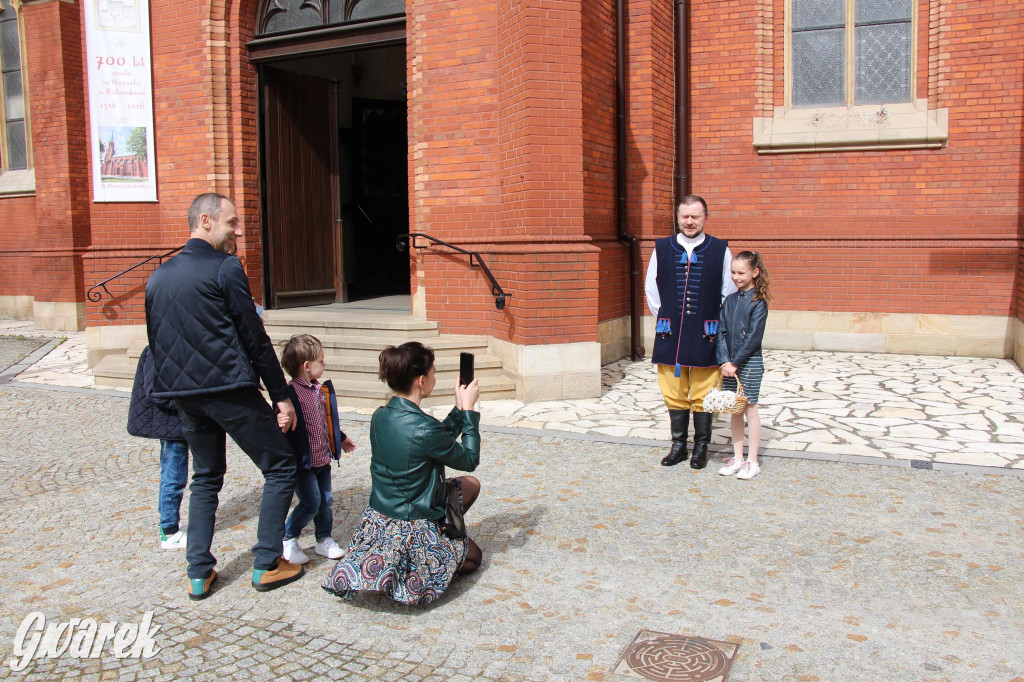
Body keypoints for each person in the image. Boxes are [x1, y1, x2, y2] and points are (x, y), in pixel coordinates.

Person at [145, 192, 303, 601]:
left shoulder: (158, 276)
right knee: (281, 466)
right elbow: (255, 337)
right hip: (228, 389)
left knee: (206, 478)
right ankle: (267, 563)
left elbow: (155, 343)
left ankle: (199, 571)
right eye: (232, 222)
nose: (238, 230)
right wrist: (281, 394)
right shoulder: (226, 267)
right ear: (205, 221)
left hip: (185, 394)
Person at [323, 341, 482, 606]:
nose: (435, 377)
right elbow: (469, 458)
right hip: (412, 522)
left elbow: (434, 440)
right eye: (433, 373)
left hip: (382, 515)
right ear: (421, 381)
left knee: (471, 486)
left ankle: (436, 541)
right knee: (474, 558)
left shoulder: (380, 415)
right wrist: (469, 412)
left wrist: (458, 407)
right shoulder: (424, 428)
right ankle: (417, 568)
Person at [646, 195, 737, 469]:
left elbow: (728, 292)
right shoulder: (662, 248)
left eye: (695, 217)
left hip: (705, 333)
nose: (689, 221)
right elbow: (652, 289)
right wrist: (668, 317)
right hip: (670, 333)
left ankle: (700, 447)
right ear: (677, 217)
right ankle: (678, 446)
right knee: (673, 390)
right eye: (685, 216)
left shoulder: (720, 249)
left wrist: (714, 324)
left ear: (705, 218)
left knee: (705, 391)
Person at [278, 334, 356, 564]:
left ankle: (324, 539)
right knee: (311, 502)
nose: (325, 364)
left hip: (322, 459)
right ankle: (288, 537)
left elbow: (324, 421)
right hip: (303, 463)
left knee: (326, 501)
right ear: (306, 366)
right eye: (321, 361)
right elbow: (279, 421)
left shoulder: (318, 390)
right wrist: (279, 423)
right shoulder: (290, 393)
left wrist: (340, 438)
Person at [127, 345, 189, 550]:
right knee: (174, 475)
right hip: (171, 423)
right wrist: (189, 402)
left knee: (171, 473)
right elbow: (156, 391)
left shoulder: (166, 344)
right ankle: (169, 531)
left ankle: (169, 523)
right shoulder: (159, 347)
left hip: (175, 421)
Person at [716, 251, 771, 480]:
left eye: (741, 272)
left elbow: (753, 337)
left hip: (749, 362)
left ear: (754, 272)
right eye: (733, 272)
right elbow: (721, 331)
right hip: (730, 364)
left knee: (750, 408)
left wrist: (735, 362)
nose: (736, 277)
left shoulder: (759, 302)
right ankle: (737, 457)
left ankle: (752, 460)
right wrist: (724, 360)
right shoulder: (729, 300)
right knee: (734, 409)